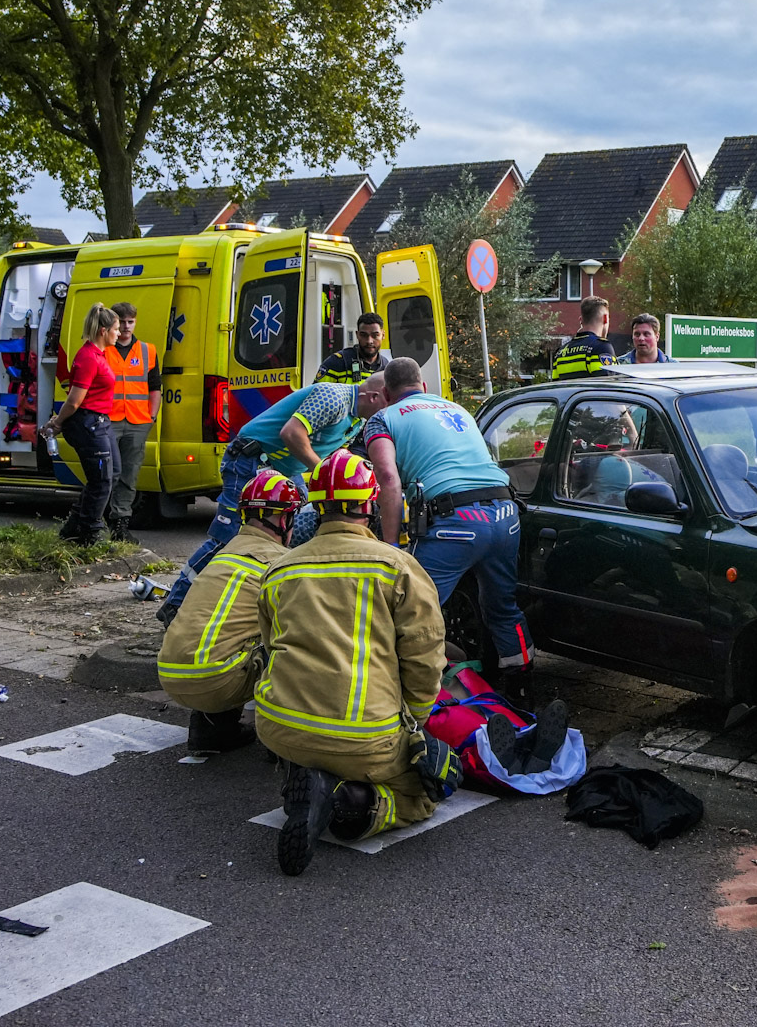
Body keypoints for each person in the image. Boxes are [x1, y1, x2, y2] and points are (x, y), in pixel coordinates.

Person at [255, 451, 461, 875]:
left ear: (318, 505)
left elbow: (270, 644)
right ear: (369, 505)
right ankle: (349, 802)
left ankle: (307, 770)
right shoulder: (397, 567)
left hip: (277, 726)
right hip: (363, 737)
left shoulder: (279, 569)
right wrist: (416, 722)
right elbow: (424, 656)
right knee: (422, 796)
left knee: (313, 737)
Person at [365, 356, 534, 698]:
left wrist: (391, 547)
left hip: (456, 522)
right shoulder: (457, 410)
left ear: (384, 393)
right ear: (424, 387)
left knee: (414, 611)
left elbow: (387, 480)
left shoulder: (383, 418)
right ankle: (521, 686)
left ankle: (417, 695)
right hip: (505, 513)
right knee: (502, 605)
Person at [159, 374, 385, 620]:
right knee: (232, 536)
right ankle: (176, 604)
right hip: (250, 460)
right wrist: (324, 473)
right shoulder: (334, 397)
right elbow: (292, 433)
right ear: (374, 397)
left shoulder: (357, 419)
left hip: (282, 468)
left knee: (293, 532)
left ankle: (262, 603)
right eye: (390, 402)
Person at [157, 470, 303, 756]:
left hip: (170, 672)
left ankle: (211, 730)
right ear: (285, 519)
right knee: (297, 641)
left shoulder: (222, 554)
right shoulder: (281, 564)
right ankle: (284, 744)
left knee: (229, 637)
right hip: (218, 679)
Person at [43, 302, 119, 545]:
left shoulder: (100, 354)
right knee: (101, 480)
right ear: (103, 331)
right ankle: (88, 533)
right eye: (116, 329)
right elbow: (74, 401)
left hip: (101, 421)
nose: (119, 333)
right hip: (88, 423)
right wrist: (57, 423)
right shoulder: (87, 357)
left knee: (113, 473)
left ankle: (74, 525)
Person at [103, 300, 161, 543]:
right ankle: (98, 520)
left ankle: (120, 524)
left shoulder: (148, 350)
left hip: (138, 421)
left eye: (130, 322)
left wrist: (152, 416)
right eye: (122, 322)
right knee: (106, 473)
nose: (126, 327)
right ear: (114, 323)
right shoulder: (103, 349)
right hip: (109, 419)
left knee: (130, 474)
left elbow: (155, 387)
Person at [317, 312, 392, 386]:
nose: (369, 341)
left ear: (383, 335)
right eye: (364, 335)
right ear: (357, 335)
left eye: (375, 335)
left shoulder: (387, 368)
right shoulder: (337, 363)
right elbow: (315, 394)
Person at [552, 296, 616, 379]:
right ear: (605, 318)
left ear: (581, 320)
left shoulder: (560, 353)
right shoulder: (601, 347)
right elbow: (608, 387)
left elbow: (555, 388)